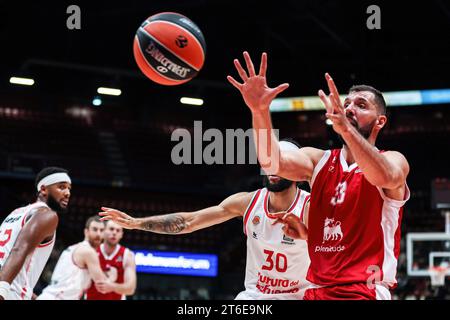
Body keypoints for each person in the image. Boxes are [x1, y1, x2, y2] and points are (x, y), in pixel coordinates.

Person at [227, 51, 410, 300]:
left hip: (363, 290)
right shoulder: (318, 160)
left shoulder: (393, 159)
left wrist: (346, 131)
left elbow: (385, 177)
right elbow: (272, 162)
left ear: (380, 122)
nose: (350, 109)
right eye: (347, 104)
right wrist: (259, 111)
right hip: (316, 290)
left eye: (361, 105)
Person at [99, 140, 312, 300]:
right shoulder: (247, 202)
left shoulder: (312, 207)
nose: (273, 167)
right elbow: (190, 222)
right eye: (269, 160)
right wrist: (137, 223)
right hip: (255, 297)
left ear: (295, 168)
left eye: (281, 162)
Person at [0, 167, 72, 300]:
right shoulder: (47, 215)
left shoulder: (16, 213)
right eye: (61, 187)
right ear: (43, 189)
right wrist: (2, 290)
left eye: (69, 188)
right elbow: (18, 250)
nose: (67, 193)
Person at [37, 216, 113, 300]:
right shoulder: (88, 251)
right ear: (86, 232)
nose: (98, 234)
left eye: (101, 230)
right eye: (95, 229)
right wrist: (113, 275)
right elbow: (102, 285)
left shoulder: (74, 247)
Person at [85, 220, 137, 300]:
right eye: (111, 229)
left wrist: (112, 286)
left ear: (121, 234)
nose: (114, 233)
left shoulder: (128, 255)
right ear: (104, 231)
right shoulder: (92, 251)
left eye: (118, 230)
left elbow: (131, 289)